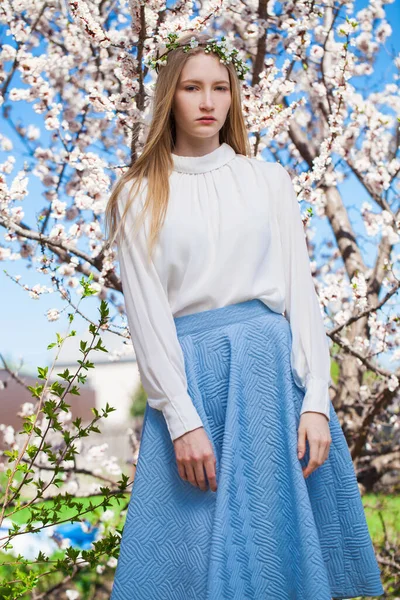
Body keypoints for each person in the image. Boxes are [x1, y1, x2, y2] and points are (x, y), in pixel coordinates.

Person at [105, 30, 384, 600]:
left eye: (220, 88)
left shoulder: (268, 181)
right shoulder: (137, 193)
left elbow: (301, 296)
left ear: (233, 97)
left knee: (277, 552)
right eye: (191, 88)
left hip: (271, 376)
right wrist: (181, 418)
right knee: (188, 558)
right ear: (169, 97)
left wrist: (314, 403)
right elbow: (148, 317)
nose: (207, 102)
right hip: (195, 381)